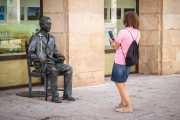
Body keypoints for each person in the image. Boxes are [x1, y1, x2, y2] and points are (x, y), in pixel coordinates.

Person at [28, 16, 75, 103]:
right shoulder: (35, 38)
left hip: (52, 62)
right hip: (41, 65)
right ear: (41, 25)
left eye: (50, 24)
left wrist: (59, 56)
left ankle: (67, 94)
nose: (50, 26)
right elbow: (30, 54)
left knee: (69, 69)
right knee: (53, 70)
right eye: (47, 24)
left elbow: (55, 53)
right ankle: (55, 96)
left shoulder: (52, 38)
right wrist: (39, 58)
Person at [109, 11, 140, 113]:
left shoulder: (123, 32)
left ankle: (129, 106)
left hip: (120, 61)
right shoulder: (138, 32)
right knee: (121, 83)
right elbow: (127, 45)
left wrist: (111, 42)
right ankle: (123, 103)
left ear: (126, 20)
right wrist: (116, 40)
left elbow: (116, 47)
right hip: (129, 61)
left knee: (120, 84)